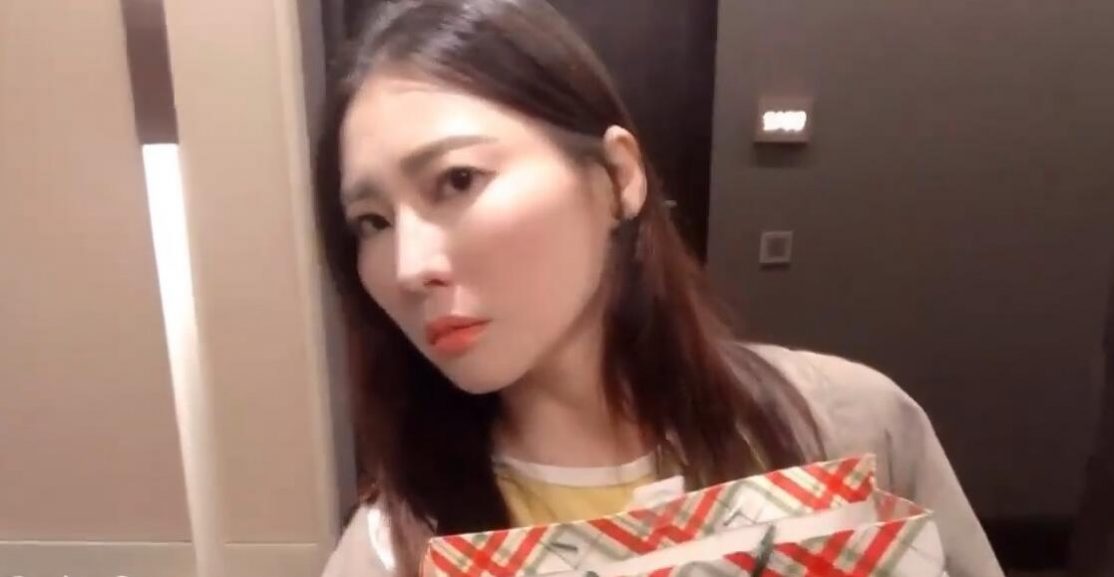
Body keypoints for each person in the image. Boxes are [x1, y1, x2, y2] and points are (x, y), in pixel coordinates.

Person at [314, 1, 1003, 576]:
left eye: (457, 180)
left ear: (618, 176)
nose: (408, 266)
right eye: (372, 222)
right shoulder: (395, 550)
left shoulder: (849, 426)